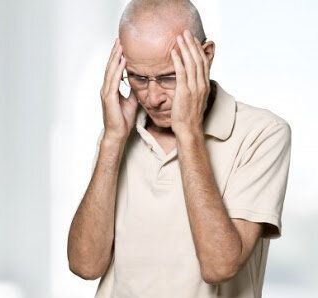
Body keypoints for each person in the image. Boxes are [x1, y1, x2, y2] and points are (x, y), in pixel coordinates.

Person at [66, 0, 292, 297]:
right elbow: (85, 265)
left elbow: (219, 266)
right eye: (137, 78)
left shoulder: (262, 134)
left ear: (206, 56)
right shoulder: (118, 135)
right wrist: (111, 140)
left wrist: (189, 133)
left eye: (169, 77)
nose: (153, 96)